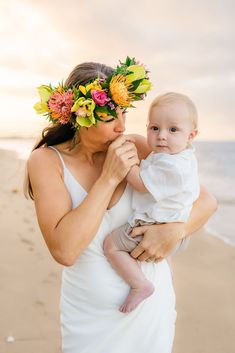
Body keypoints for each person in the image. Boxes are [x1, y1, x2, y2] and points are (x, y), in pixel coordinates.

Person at [24, 57, 217, 353]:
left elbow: (206, 201)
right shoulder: (47, 161)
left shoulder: (139, 146)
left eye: (124, 113)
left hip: (151, 314)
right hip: (89, 322)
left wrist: (175, 231)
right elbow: (65, 250)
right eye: (109, 117)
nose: (122, 126)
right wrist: (109, 178)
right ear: (80, 115)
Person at [103, 92, 200, 314]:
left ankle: (140, 284)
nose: (162, 136)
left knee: (111, 245)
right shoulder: (182, 156)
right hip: (175, 228)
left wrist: (125, 163)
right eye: (154, 128)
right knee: (162, 258)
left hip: (154, 228)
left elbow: (140, 183)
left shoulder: (171, 166)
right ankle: (168, 272)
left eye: (173, 129)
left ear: (191, 135)